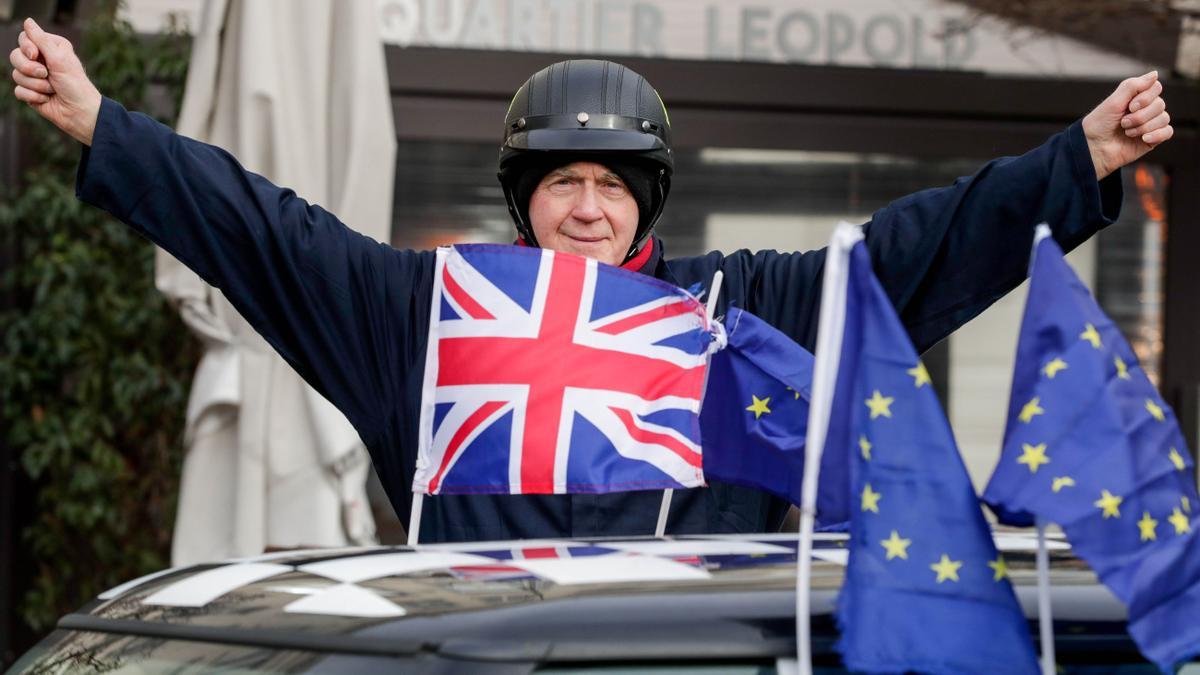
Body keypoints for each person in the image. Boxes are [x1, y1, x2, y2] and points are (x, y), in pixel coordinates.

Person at [10, 18, 1174, 543]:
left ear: (647, 204)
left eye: (614, 184)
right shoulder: (426, 317)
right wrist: (102, 122)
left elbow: (917, 254)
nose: (586, 205)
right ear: (523, 198)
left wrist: (1077, 164)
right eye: (561, 180)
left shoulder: (733, 313)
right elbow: (270, 234)